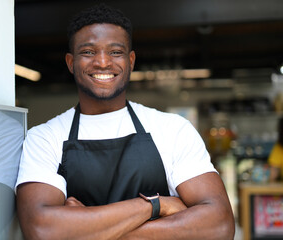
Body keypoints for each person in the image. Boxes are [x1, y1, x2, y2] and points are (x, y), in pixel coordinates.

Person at [15, 4, 235, 239]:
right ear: (70, 63)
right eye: (88, 52)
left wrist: (87, 229)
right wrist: (153, 206)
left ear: (131, 61)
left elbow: (219, 226)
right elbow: (42, 230)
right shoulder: (44, 138)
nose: (102, 62)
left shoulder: (173, 130)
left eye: (115, 52)